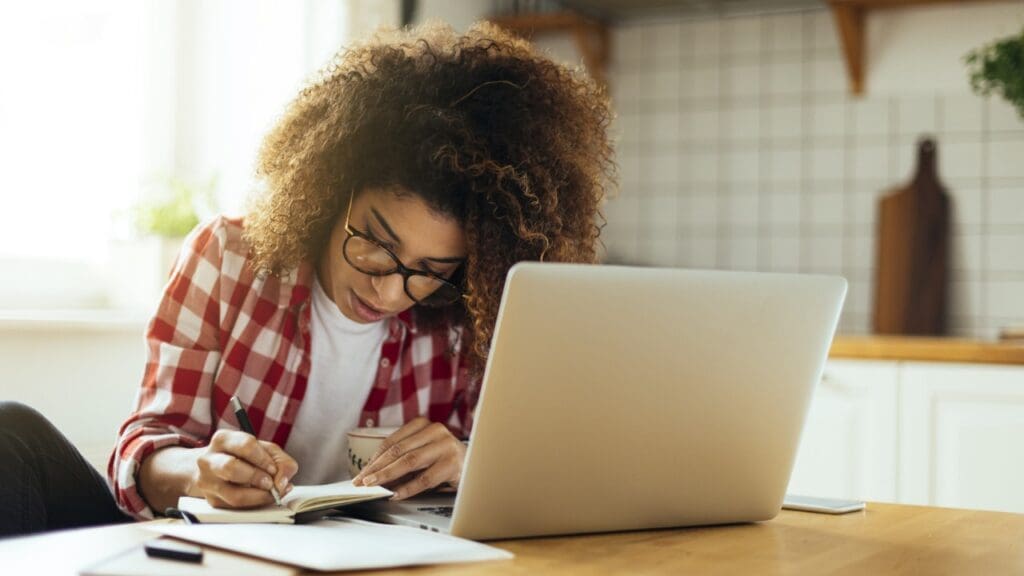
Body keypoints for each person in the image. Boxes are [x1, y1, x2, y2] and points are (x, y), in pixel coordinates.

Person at [0, 20, 613, 537]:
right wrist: (197, 471)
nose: (390, 291)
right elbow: (145, 447)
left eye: (431, 272)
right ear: (331, 185)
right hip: (214, 552)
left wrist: (467, 461)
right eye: (375, 242)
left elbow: (539, 472)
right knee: (12, 433)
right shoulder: (226, 257)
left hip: (382, 557)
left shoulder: (472, 313)